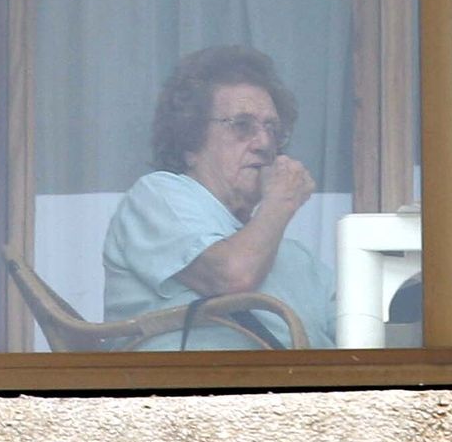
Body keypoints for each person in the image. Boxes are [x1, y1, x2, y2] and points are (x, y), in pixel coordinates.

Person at [102, 45, 336, 350]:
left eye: (273, 129)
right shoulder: (157, 196)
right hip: (190, 392)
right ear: (190, 141)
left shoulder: (298, 259)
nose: (265, 143)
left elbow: (362, 336)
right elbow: (231, 277)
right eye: (242, 126)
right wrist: (281, 202)